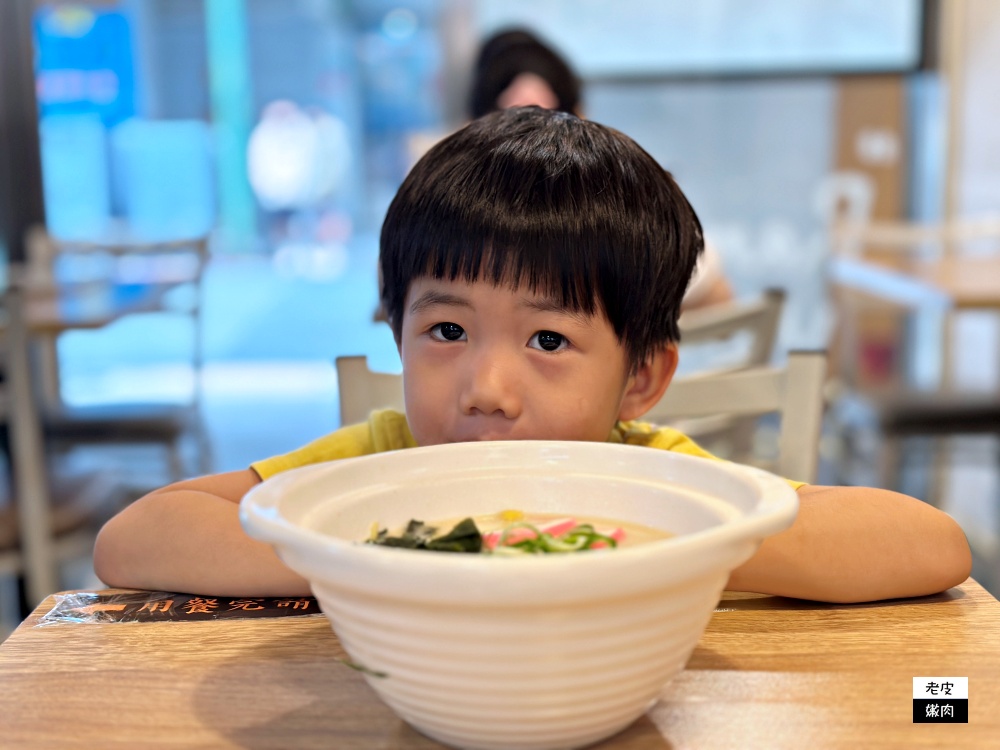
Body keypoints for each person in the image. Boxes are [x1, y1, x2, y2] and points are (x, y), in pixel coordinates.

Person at [94, 107, 971, 603]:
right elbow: (136, 541)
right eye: (447, 332)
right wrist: (380, 552)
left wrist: (663, 543)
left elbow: (928, 544)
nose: (488, 389)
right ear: (396, 329)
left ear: (642, 378)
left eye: (549, 340)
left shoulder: (650, 477)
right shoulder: (381, 465)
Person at [468, 27, 733, 309]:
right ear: (581, 113)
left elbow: (717, 295)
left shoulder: (465, 204)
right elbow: (720, 300)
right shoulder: (624, 187)